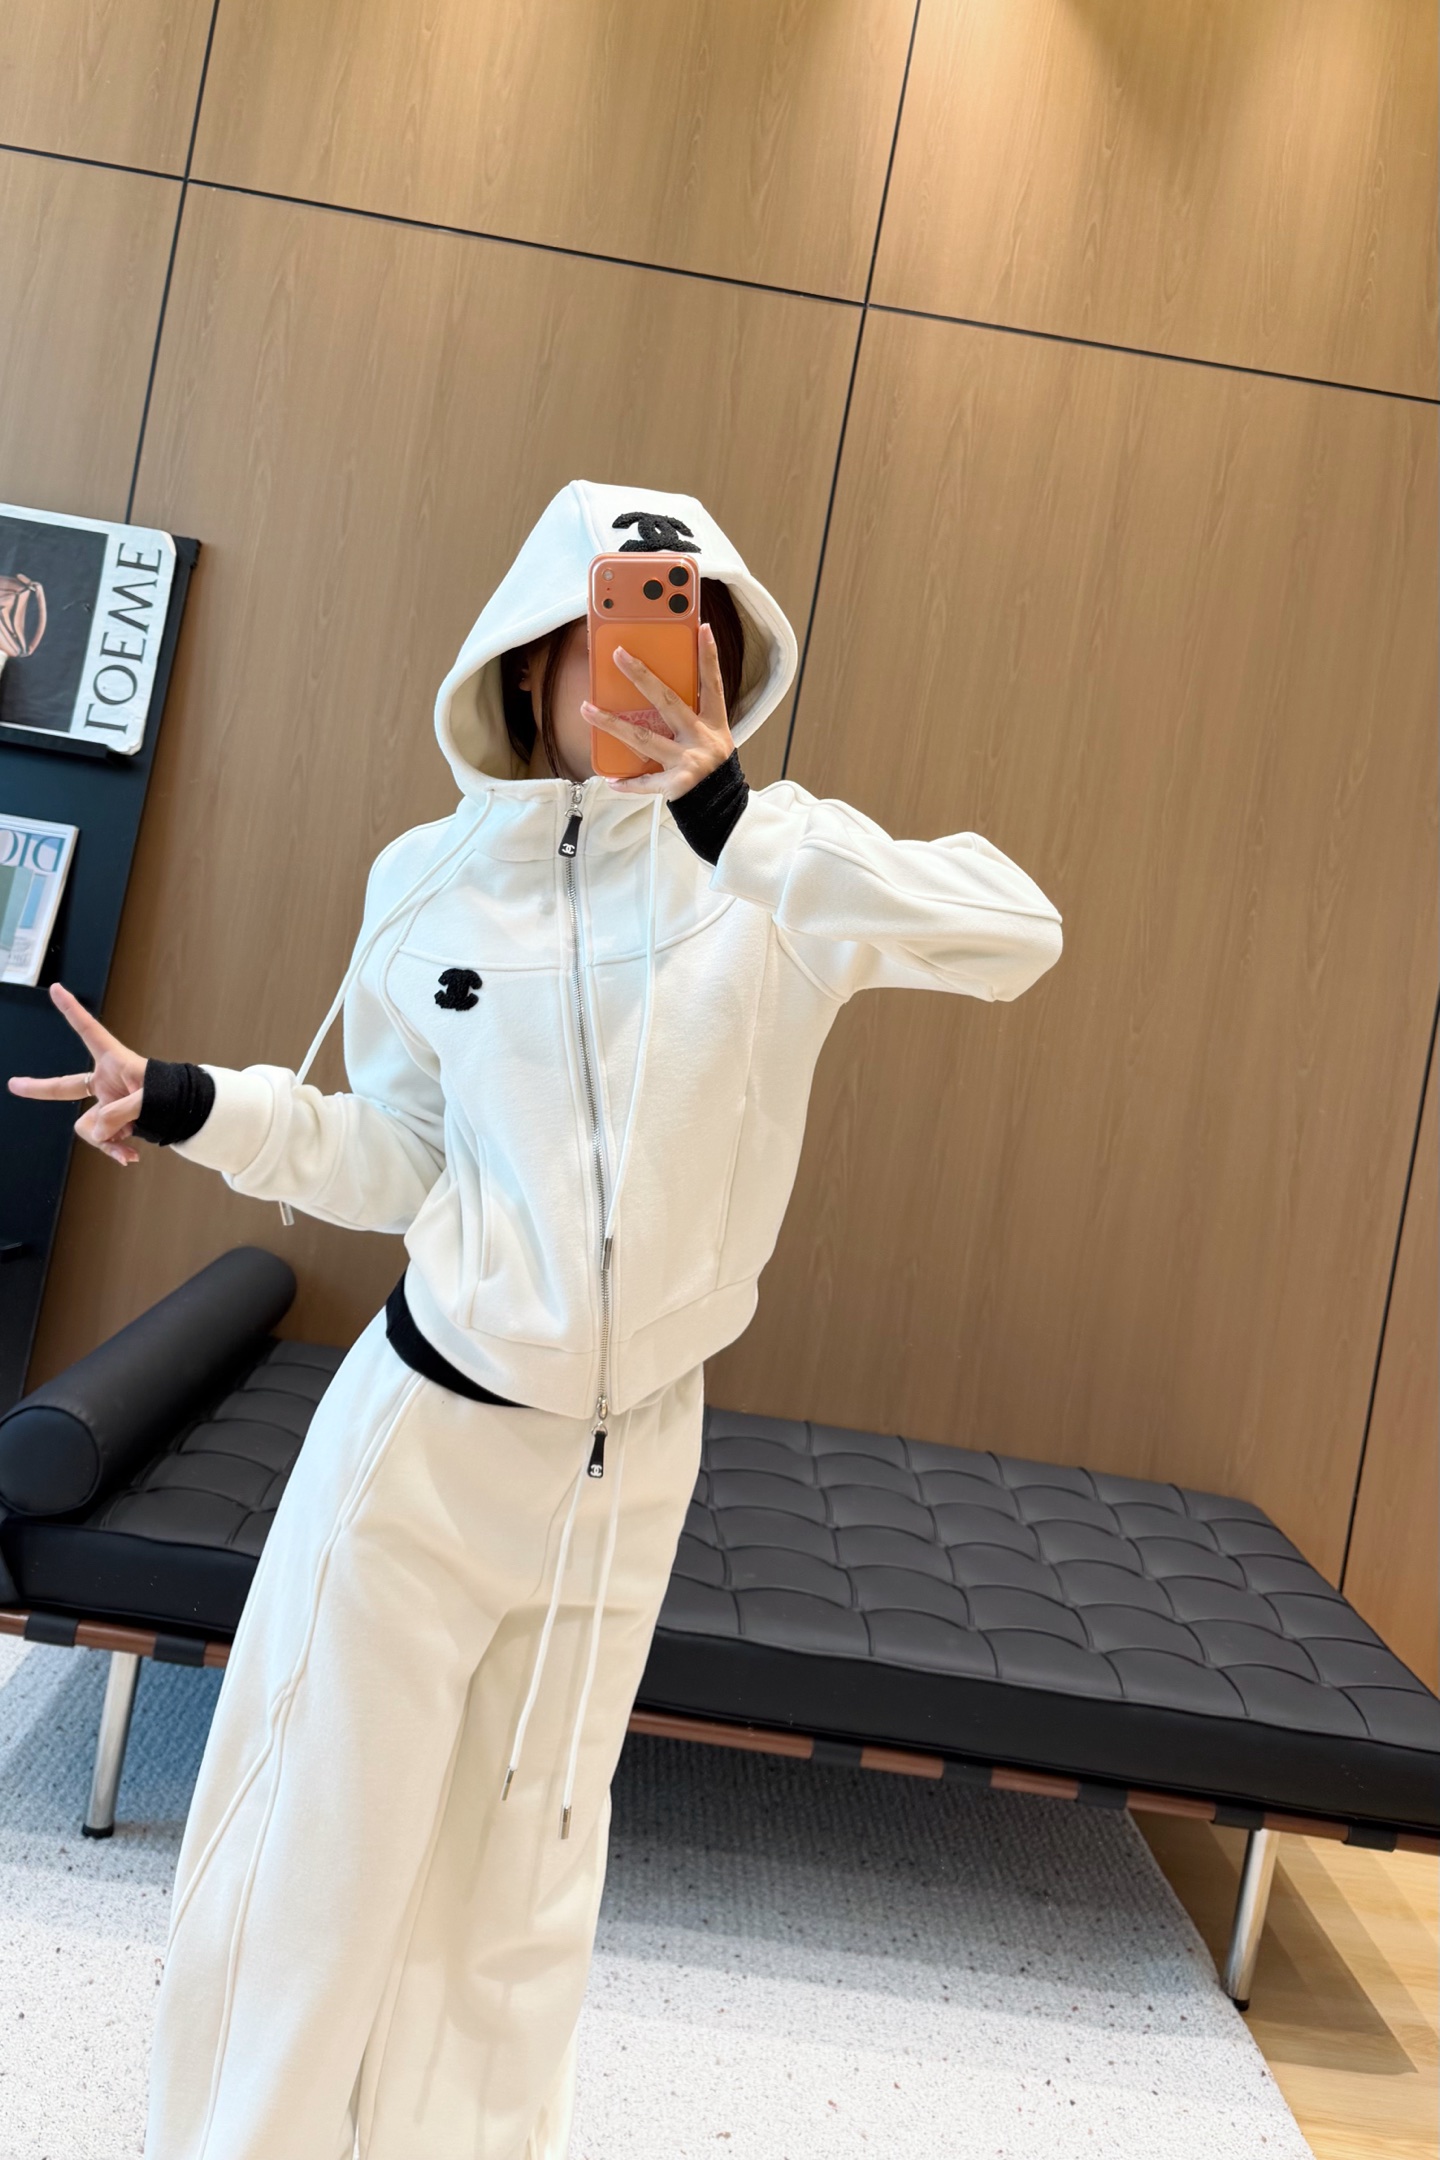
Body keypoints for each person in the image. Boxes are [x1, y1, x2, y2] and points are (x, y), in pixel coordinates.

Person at [8, 480, 1063, 2160]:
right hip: (425, 1448)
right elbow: (400, 1156)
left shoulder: (777, 876)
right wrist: (204, 1106)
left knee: (523, 1896)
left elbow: (1019, 932)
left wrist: (745, 828)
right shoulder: (430, 882)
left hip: (629, 1471)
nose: (659, 666)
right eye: (618, 631)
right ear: (529, 660)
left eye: (694, 630)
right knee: (311, 1865)